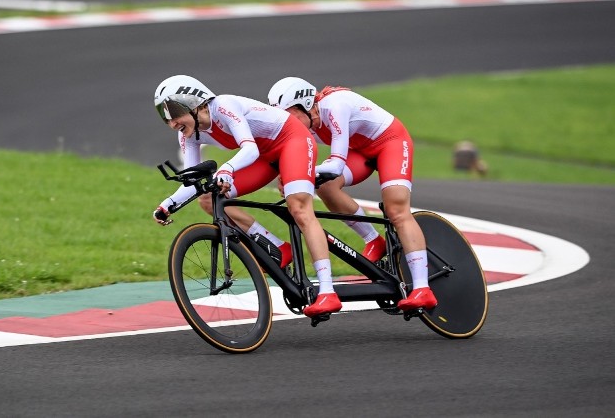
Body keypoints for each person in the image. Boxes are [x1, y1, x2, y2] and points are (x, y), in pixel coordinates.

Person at [152, 75, 343, 317]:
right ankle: (277, 247)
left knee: (299, 209)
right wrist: (168, 205)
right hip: (264, 156)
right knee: (209, 199)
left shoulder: (223, 106)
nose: (171, 122)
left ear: (195, 102)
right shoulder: (188, 133)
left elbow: (249, 148)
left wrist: (227, 169)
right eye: (164, 115)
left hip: (291, 141)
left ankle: (328, 291)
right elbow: (193, 181)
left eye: (173, 111)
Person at [267, 77, 437, 311]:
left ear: (305, 105)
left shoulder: (335, 106)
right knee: (326, 187)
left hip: (391, 143)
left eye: (289, 115)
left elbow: (336, 165)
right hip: (361, 150)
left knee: (396, 210)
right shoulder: (307, 119)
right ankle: (374, 240)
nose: (288, 123)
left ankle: (422, 289)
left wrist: (302, 174)